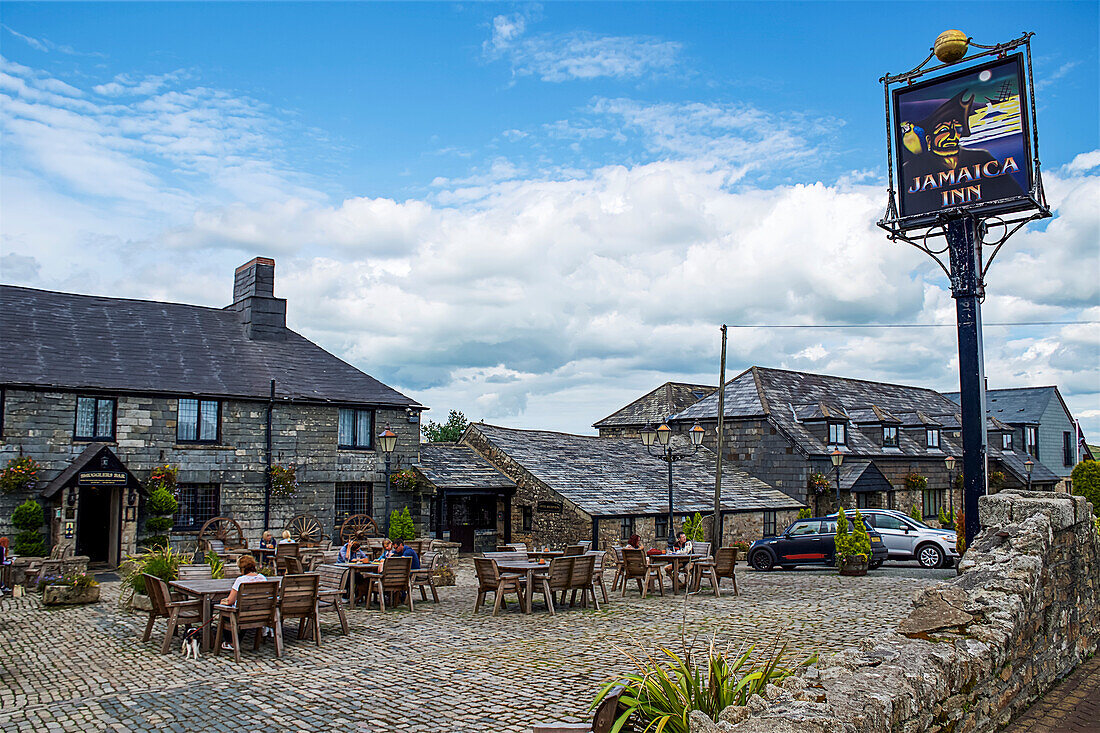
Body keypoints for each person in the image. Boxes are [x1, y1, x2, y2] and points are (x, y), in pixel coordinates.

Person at [221, 555, 270, 652]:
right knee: (245, 609)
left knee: (225, 614)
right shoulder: (262, 578)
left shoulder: (241, 580)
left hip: (243, 615)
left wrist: (223, 601)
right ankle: (237, 640)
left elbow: (230, 601)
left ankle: (230, 642)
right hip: (260, 613)